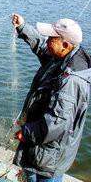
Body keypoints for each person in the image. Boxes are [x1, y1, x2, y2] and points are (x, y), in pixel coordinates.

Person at [11, 13, 90, 182]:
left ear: (65, 44)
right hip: (40, 147)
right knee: (29, 175)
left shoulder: (71, 80)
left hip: (49, 154)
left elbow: (57, 123)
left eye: (51, 38)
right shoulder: (61, 56)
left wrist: (26, 133)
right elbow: (41, 46)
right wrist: (23, 27)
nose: (47, 39)